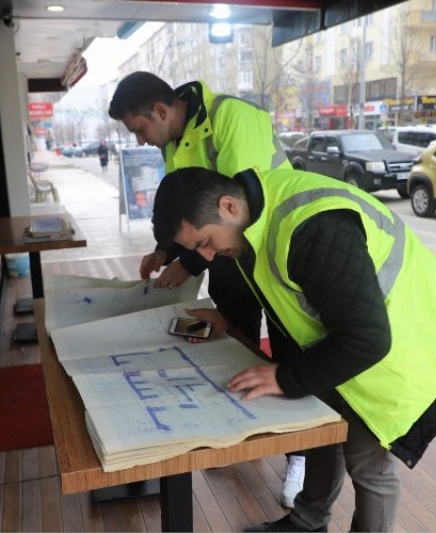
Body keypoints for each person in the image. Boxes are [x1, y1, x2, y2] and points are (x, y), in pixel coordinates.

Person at [150, 166, 436, 532]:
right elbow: (277, 287)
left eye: (205, 242)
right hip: (350, 334)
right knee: (321, 428)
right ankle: (307, 522)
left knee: (367, 461)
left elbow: (367, 339)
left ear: (228, 207)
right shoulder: (256, 213)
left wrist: (285, 376)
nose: (206, 255)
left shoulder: (311, 228)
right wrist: (226, 317)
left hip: (415, 341)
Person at [108, 71, 306, 506]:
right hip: (228, 259)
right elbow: (186, 208)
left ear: (160, 111)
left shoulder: (231, 117)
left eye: (140, 129)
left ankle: (299, 456)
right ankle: (240, 427)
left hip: (267, 250)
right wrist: (165, 251)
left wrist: (189, 261)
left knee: (289, 349)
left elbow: (234, 211)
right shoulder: (173, 142)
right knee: (235, 339)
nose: (140, 140)